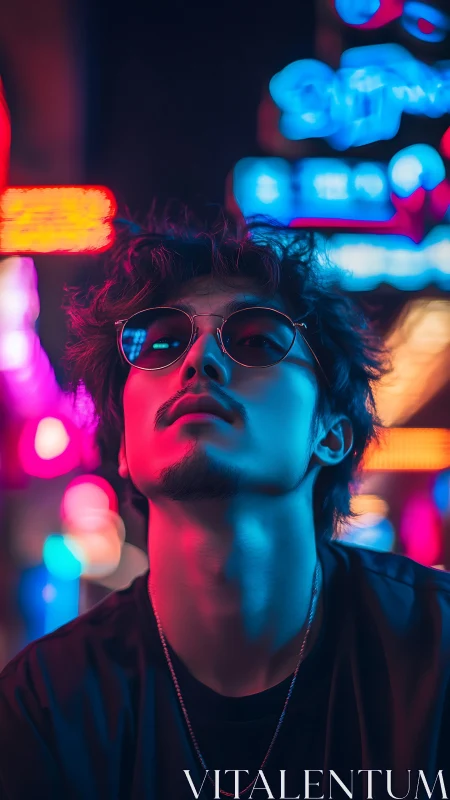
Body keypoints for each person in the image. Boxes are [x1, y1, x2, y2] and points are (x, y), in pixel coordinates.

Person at [1, 213, 450, 800]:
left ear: (331, 433)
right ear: (125, 452)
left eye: (256, 341)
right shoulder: (45, 705)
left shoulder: (436, 657)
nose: (199, 362)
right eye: (161, 344)